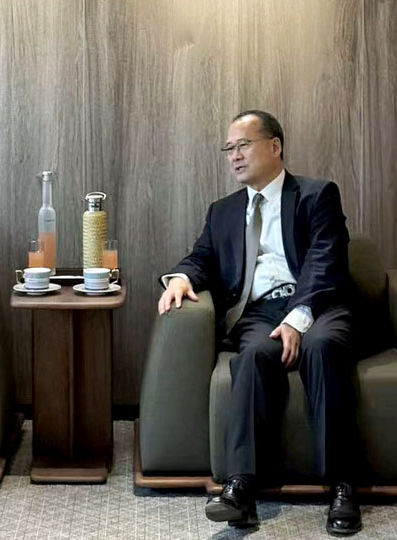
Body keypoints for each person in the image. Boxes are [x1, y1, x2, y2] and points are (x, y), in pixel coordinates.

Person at [158, 110, 361, 535]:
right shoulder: (223, 211)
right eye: (228, 148)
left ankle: (342, 486)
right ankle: (241, 489)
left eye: (243, 145)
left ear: (275, 146)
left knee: (322, 347)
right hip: (261, 312)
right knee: (252, 356)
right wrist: (180, 278)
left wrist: (298, 318)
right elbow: (202, 257)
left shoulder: (317, 195)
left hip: (320, 304)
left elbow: (325, 261)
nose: (234, 156)